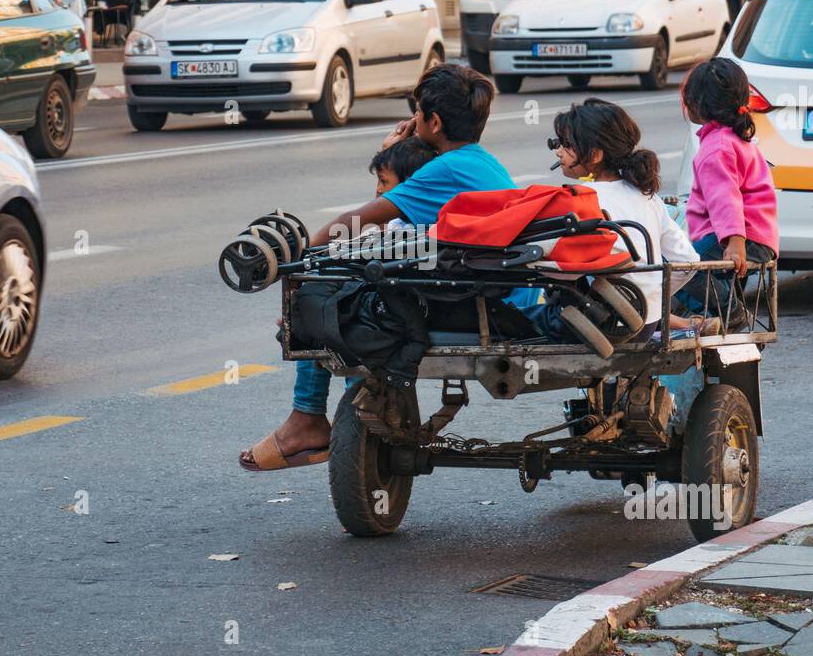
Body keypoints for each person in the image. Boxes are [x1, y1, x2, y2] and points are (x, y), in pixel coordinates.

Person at [239, 64, 537, 472]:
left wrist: (298, 262)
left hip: (481, 305)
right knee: (342, 290)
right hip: (498, 295)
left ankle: (307, 418)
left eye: (418, 113)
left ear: (433, 122)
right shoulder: (478, 162)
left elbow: (358, 220)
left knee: (318, 299)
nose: (412, 120)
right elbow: (388, 221)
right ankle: (326, 418)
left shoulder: (444, 170)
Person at [528, 99, 711, 336]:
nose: (558, 150)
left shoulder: (581, 199)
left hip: (597, 325)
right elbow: (688, 260)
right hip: (647, 322)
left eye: (565, 144)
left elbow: (562, 270)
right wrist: (652, 296)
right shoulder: (647, 197)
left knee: (508, 322)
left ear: (594, 155)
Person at [675, 58, 779, 325]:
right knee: (684, 275)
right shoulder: (732, 138)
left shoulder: (716, 148)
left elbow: (726, 198)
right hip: (752, 235)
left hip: (738, 237)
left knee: (679, 268)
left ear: (697, 104)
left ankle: (730, 312)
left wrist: (734, 241)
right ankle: (715, 316)